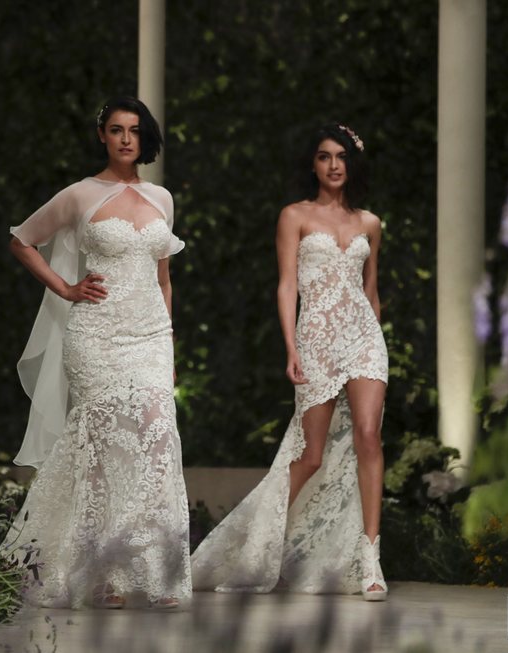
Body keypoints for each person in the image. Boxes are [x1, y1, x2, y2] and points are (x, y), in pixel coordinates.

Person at [1, 96, 191, 610]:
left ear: (143, 136)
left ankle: (148, 567)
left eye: (133, 130)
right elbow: (22, 240)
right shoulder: (80, 195)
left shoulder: (162, 198)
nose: (126, 138)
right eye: (115, 129)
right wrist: (64, 288)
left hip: (149, 335)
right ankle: (104, 574)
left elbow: (163, 278)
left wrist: (167, 340)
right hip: (95, 335)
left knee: (156, 437)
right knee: (103, 452)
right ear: (101, 136)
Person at [191, 123, 389, 600]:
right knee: (312, 454)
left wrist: (374, 337)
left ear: (352, 163)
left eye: (341, 156)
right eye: (324, 157)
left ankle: (370, 557)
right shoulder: (294, 216)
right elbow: (286, 286)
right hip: (316, 338)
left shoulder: (370, 223)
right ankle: (259, 546)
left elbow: (371, 292)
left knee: (368, 435)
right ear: (313, 164)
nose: (334, 165)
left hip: (363, 337)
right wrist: (292, 348)